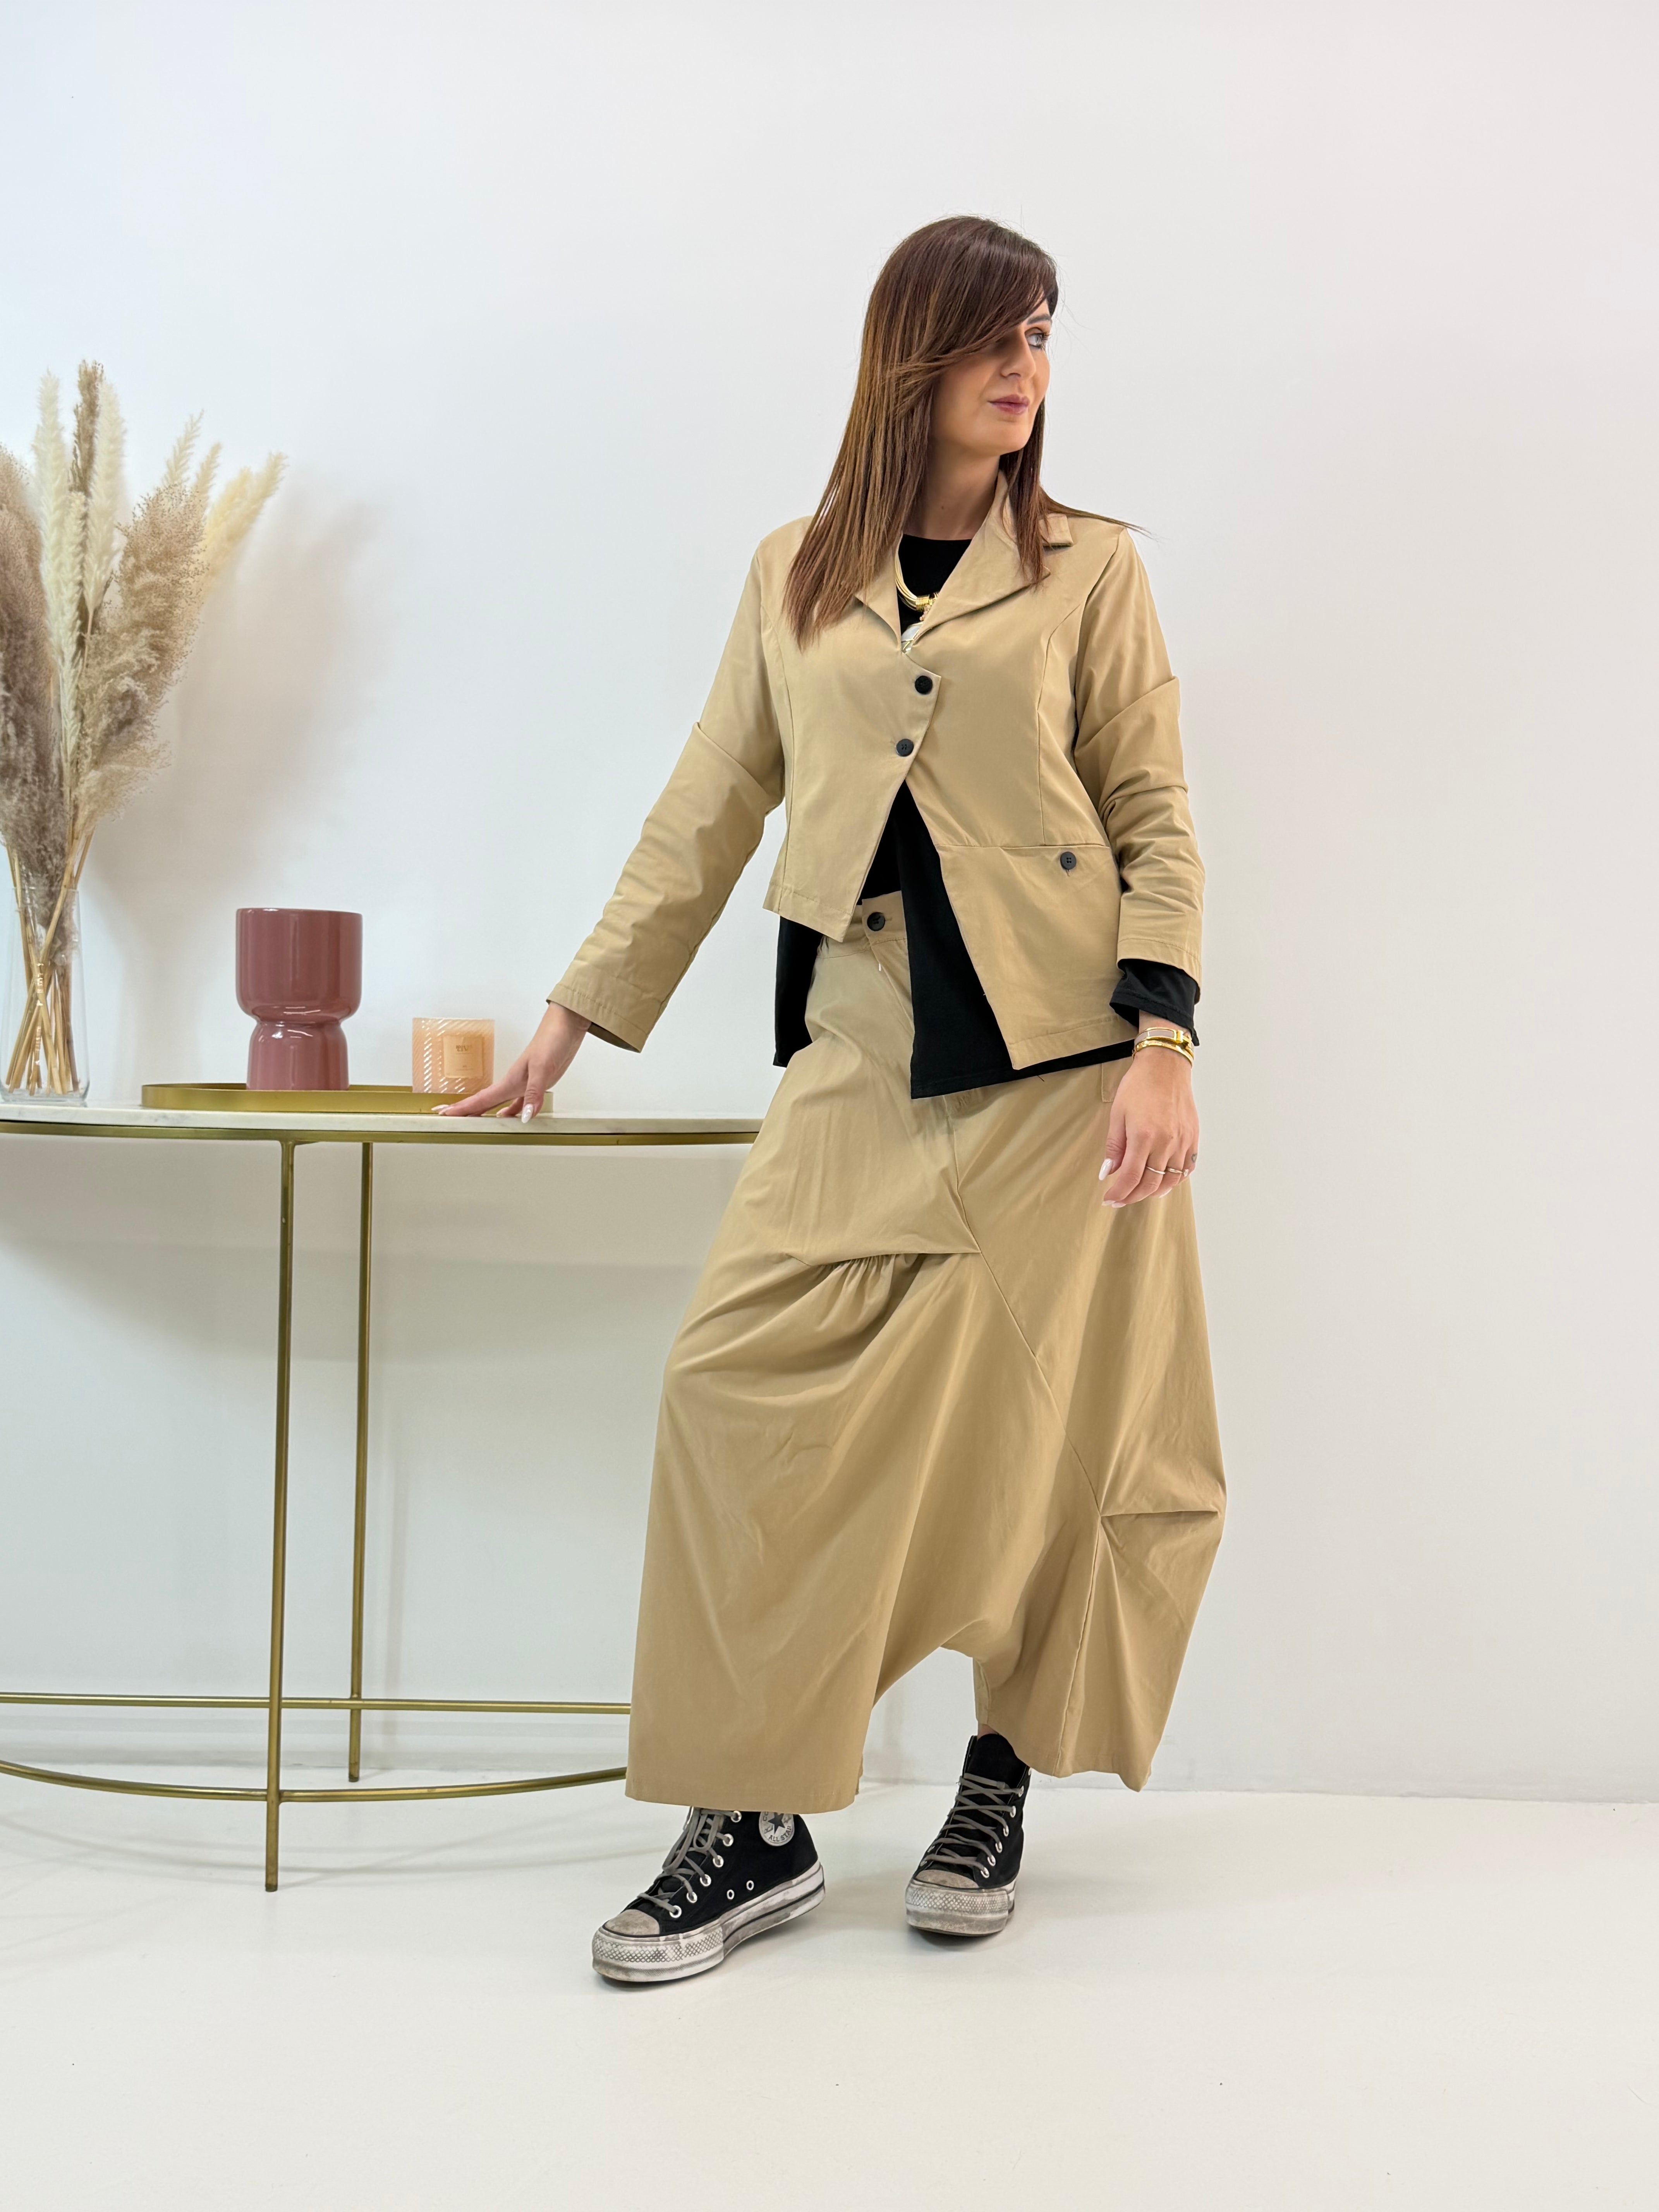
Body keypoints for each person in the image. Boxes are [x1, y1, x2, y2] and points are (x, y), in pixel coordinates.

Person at [443, 215, 1226, 1985]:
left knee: (1051, 1439)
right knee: (733, 1395)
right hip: (860, 1056)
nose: (1026, 369)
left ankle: (997, 1779)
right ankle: (755, 1823)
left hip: (1062, 1078)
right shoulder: (796, 571)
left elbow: (1154, 812)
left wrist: (1165, 1041)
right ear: (910, 357)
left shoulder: (1093, 568)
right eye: (993, 338)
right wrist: (576, 1015)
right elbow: (711, 799)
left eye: (1043, 335)